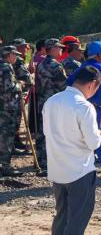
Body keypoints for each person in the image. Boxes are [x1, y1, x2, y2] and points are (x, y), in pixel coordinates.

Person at [43, 65, 101, 235]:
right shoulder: (84, 106)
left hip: (56, 168)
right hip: (79, 170)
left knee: (61, 216)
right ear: (92, 84)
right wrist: (99, 134)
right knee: (77, 219)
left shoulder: (51, 101)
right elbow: (93, 143)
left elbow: (47, 133)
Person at [66, 41, 101, 184]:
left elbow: (69, 82)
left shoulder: (82, 67)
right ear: (98, 55)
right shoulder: (99, 68)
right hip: (95, 108)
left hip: (77, 105)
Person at [35, 38, 68, 174]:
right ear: (53, 49)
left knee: (43, 132)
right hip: (55, 104)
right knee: (54, 132)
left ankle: (41, 161)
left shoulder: (41, 64)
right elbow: (63, 86)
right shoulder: (56, 66)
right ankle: (52, 162)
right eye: (59, 47)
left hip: (42, 102)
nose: (61, 50)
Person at [0, 45, 23, 176]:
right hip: (7, 107)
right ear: (9, 55)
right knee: (6, 136)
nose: (16, 57)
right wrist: (20, 85)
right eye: (15, 55)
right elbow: (8, 87)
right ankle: (5, 166)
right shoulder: (6, 67)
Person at [11, 38, 33, 152]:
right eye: (23, 47)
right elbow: (26, 77)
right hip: (16, 93)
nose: (26, 49)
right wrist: (30, 79)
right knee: (15, 119)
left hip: (13, 93)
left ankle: (15, 141)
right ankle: (14, 143)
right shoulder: (18, 60)